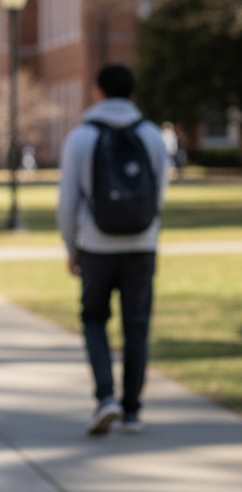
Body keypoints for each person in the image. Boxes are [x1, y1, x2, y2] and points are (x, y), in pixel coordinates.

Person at [57, 63, 169, 437]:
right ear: (132, 94)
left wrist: (70, 244)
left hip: (96, 245)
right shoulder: (152, 135)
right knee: (136, 325)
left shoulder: (81, 137)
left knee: (93, 319)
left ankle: (105, 397)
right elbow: (160, 193)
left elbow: (68, 200)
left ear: (97, 92)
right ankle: (133, 410)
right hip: (142, 243)